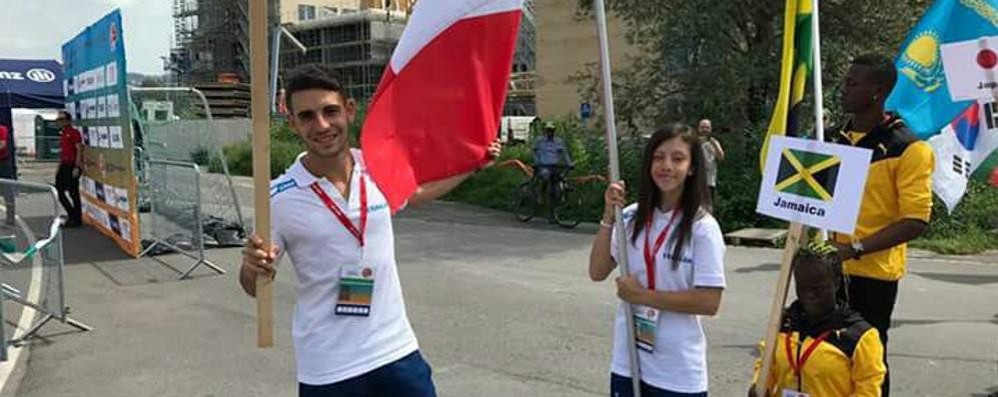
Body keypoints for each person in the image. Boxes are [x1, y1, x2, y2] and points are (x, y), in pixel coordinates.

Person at [240, 64, 501, 397]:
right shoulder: (277, 198)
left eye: (330, 111)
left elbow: (416, 194)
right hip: (330, 368)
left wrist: (473, 165)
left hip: (396, 352)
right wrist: (251, 269)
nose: (321, 125)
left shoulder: (378, 164)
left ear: (349, 111)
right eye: (306, 116)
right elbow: (254, 285)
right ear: (292, 122)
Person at [589, 124, 726, 396]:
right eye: (659, 157)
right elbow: (597, 270)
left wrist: (643, 296)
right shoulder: (629, 216)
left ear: (692, 168)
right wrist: (607, 216)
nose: (666, 166)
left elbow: (709, 302)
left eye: (678, 158)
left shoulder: (702, 227)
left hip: (677, 372)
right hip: (628, 361)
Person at [826, 54, 934, 397]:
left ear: (877, 91)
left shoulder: (908, 148)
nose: (843, 90)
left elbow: (916, 220)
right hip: (825, 267)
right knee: (825, 355)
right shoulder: (831, 139)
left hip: (872, 275)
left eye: (852, 84)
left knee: (868, 358)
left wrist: (852, 249)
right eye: (845, 82)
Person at [748, 241, 886, 397]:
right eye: (802, 287)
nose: (810, 295)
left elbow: (868, 389)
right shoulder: (783, 322)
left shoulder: (860, 336)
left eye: (818, 288)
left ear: (836, 283)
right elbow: (766, 364)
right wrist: (759, 386)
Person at [532, 121, 574, 206]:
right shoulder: (540, 141)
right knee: (546, 177)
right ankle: (541, 194)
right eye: (548, 130)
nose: (549, 132)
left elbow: (564, 153)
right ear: (545, 131)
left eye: (551, 130)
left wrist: (569, 163)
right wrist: (536, 162)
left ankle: (562, 198)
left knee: (561, 178)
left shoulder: (559, 141)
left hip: (554, 165)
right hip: (543, 166)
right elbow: (534, 152)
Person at [55, 111, 84, 227]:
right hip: (64, 164)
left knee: (73, 192)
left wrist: (77, 166)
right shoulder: (63, 133)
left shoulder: (74, 132)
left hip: (72, 164)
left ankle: (76, 218)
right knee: (59, 190)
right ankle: (72, 214)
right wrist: (59, 166)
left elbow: (79, 150)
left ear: (67, 121)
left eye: (61, 120)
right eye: (58, 120)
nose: (59, 122)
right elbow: (64, 152)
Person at [697, 119, 724, 212]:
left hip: (709, 179)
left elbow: (721, 157)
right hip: (695, 178)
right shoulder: (694, 142)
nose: (704, 129)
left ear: (710, 129)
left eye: (707, 127)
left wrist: (715, 146)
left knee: (708, 205)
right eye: (702, 127)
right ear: (698, 128)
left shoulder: (714, 142)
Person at [0, 123, 16, 226]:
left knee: (7, 191)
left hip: (3, 163)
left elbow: (2, 144)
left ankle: (10, 220)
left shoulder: (2, 129)